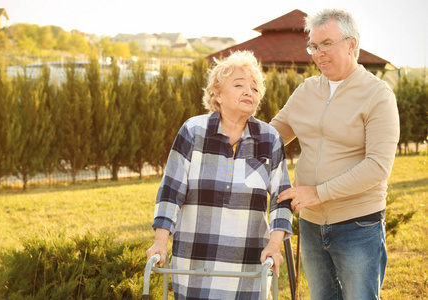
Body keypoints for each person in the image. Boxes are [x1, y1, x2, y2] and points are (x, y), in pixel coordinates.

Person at [270, 8, 400, 300]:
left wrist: (319, 192)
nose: (318, 53)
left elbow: (378, 166)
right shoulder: (306, 90)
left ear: (352, 44)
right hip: (311, 225)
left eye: (327, 44)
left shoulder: (378, 95)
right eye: (314, 46)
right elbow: (271, 137)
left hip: (358, 225)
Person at [146, 50, 293, 299]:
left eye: (255, 88)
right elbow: (171, 191)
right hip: (195, 263)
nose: (249, 91)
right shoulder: (193, 131)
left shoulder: (269, 139)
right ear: (217, 95)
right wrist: (161, 241)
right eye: (239, 85)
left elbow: (282, 199)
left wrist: (275, 245)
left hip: (249, 265)